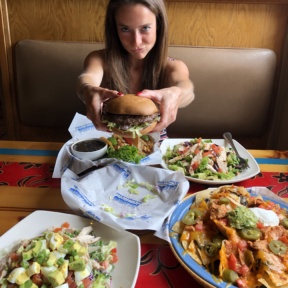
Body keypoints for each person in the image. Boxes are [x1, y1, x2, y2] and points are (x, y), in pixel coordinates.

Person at [77, 0, 194, 139]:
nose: (136, 42)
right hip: (105, 142)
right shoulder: (99, 59)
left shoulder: (173, 66)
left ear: (159, 26)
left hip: (155, 147)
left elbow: (187, 88)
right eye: (125, 29)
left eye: (145, 28)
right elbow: (87, 77)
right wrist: (87, 88)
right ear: (115, 29)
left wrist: (177, 93)